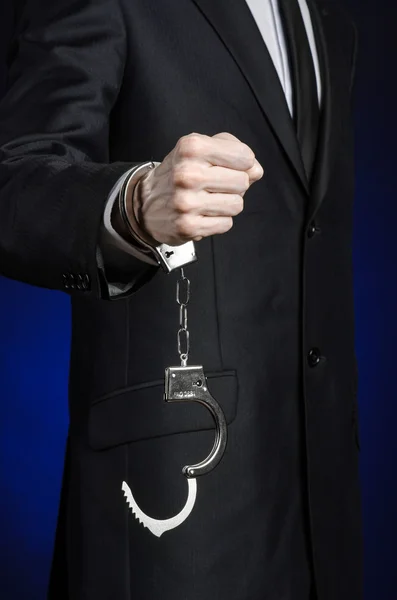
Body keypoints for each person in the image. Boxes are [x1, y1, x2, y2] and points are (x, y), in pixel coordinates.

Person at [0, 0, 362, 598]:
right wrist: (133, 204)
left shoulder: (330, 17)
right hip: (170, 503)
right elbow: (13, 178)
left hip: (325, 509)